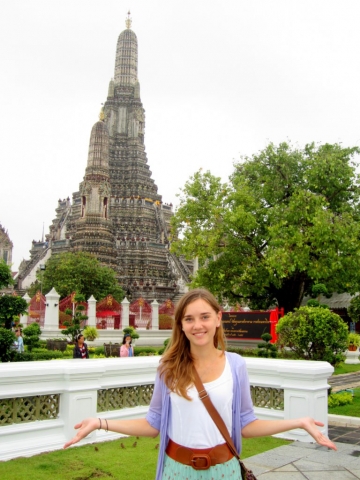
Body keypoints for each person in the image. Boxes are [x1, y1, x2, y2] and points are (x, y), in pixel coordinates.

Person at [64, 288, 336, 479]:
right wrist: (100, 423)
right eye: (189, 319)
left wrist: (298, 422)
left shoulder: (236, 365)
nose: (198, 325)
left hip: (224, 470)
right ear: (180, 325)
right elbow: (152, 425)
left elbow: (246, 424)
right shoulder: (168, 368)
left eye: (205, 316)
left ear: (218, 318)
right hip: (176, 470)